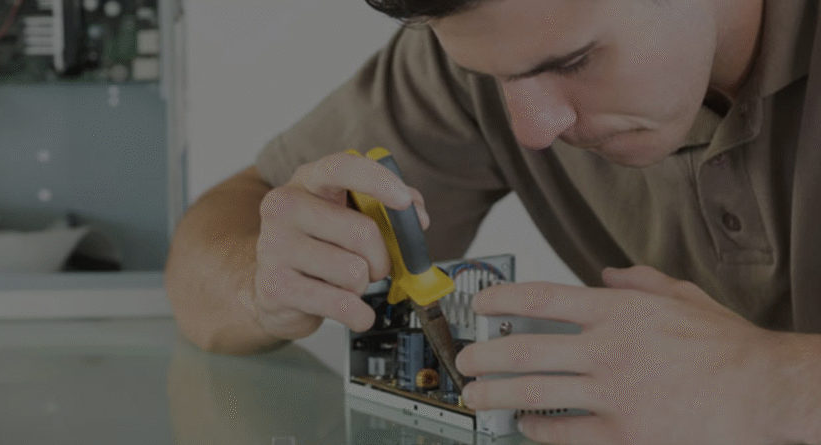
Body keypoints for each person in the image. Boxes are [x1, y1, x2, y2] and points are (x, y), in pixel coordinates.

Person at [165, 0, 821, 443]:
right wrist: (265, 278)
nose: (533, 128)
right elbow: (206, 246)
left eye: (573, 61)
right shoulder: (491, 42)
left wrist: (768, 384)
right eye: (491, 75)